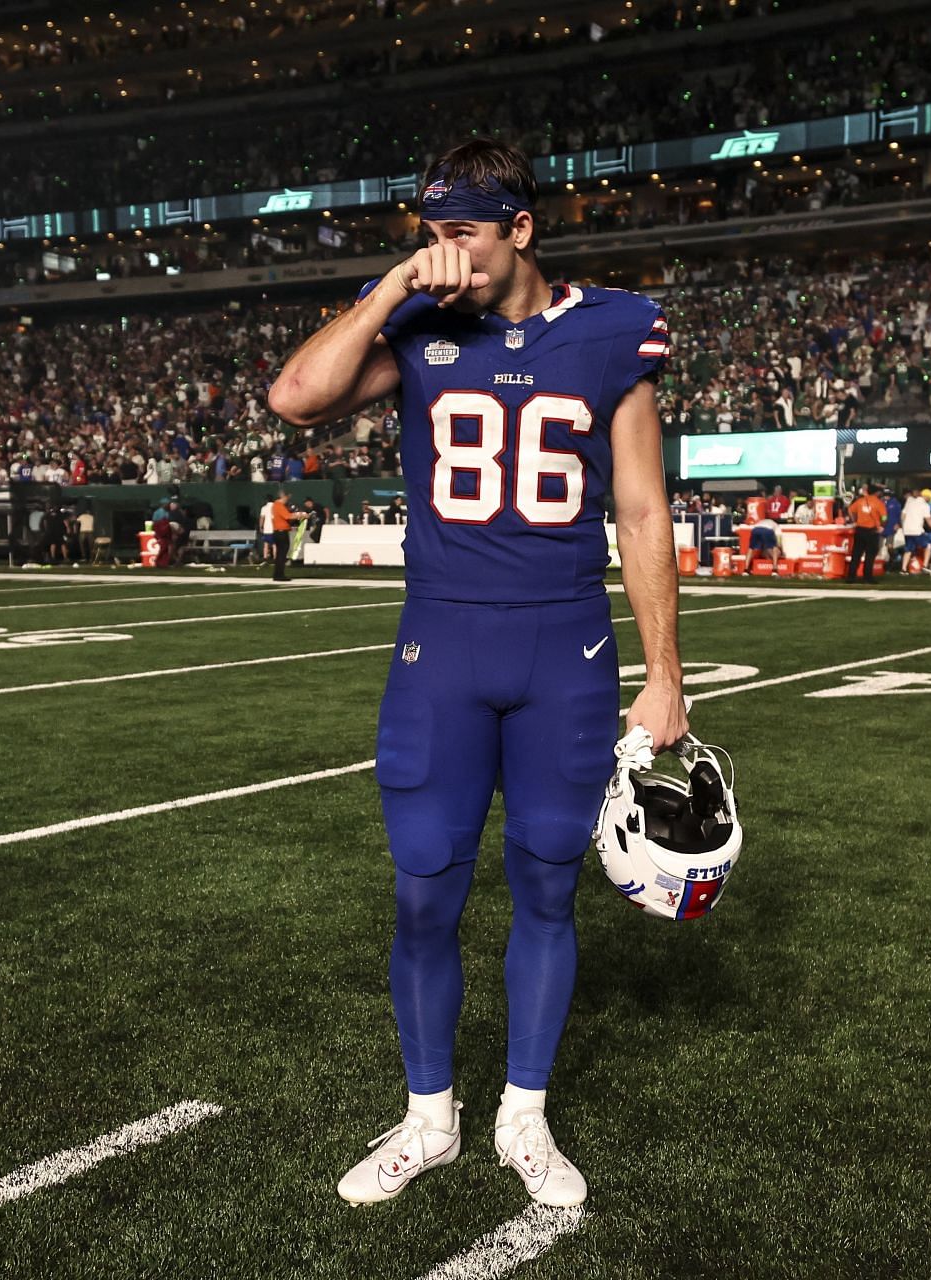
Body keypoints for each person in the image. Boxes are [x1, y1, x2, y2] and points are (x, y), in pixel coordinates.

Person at [269, 138, 686, 1210]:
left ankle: (524, 1115)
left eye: (462, 231)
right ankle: (427, 1117)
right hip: (439, 645)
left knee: (548, 882)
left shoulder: (611, 327)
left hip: (567, 649)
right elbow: (295, 397)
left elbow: (641, 510)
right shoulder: (416, 315)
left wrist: (665, 675)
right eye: (430, 229)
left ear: (521, 230)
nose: (443, 249)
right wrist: (398, 282)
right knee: (423, 891)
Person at [845, 484, 887, 583]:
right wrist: (882, 526)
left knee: (856, 554)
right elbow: (884, 517)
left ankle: (851, 576)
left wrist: (854, 521)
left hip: (859, 530)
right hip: (872, 531)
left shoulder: (860, 501)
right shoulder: (879, 503)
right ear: (877, 493)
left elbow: (850, 510)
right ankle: (867, 577)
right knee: (870, 555)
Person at [899, 488, 931, 574]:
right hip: (917, 531)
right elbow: (929, 520)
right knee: (928, 545)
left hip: (907, 530)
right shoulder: (925, 505)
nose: (930, 500)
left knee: (908, 549)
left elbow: (903, 515)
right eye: (929, 498)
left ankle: (903, 569)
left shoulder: (909, 501)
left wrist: (903, 526)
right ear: (926, 497)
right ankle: (925, 566)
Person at [267, 489, 298, 582]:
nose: (287, 500)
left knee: (281, 553)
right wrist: (300, 514)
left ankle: (278, 574)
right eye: (287, 497)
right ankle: (279, 574)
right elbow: (288, 516)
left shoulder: (275, 505)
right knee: (282, 554)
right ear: (283, 497)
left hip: (278, 531)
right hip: (281, 532)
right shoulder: (278, 505)